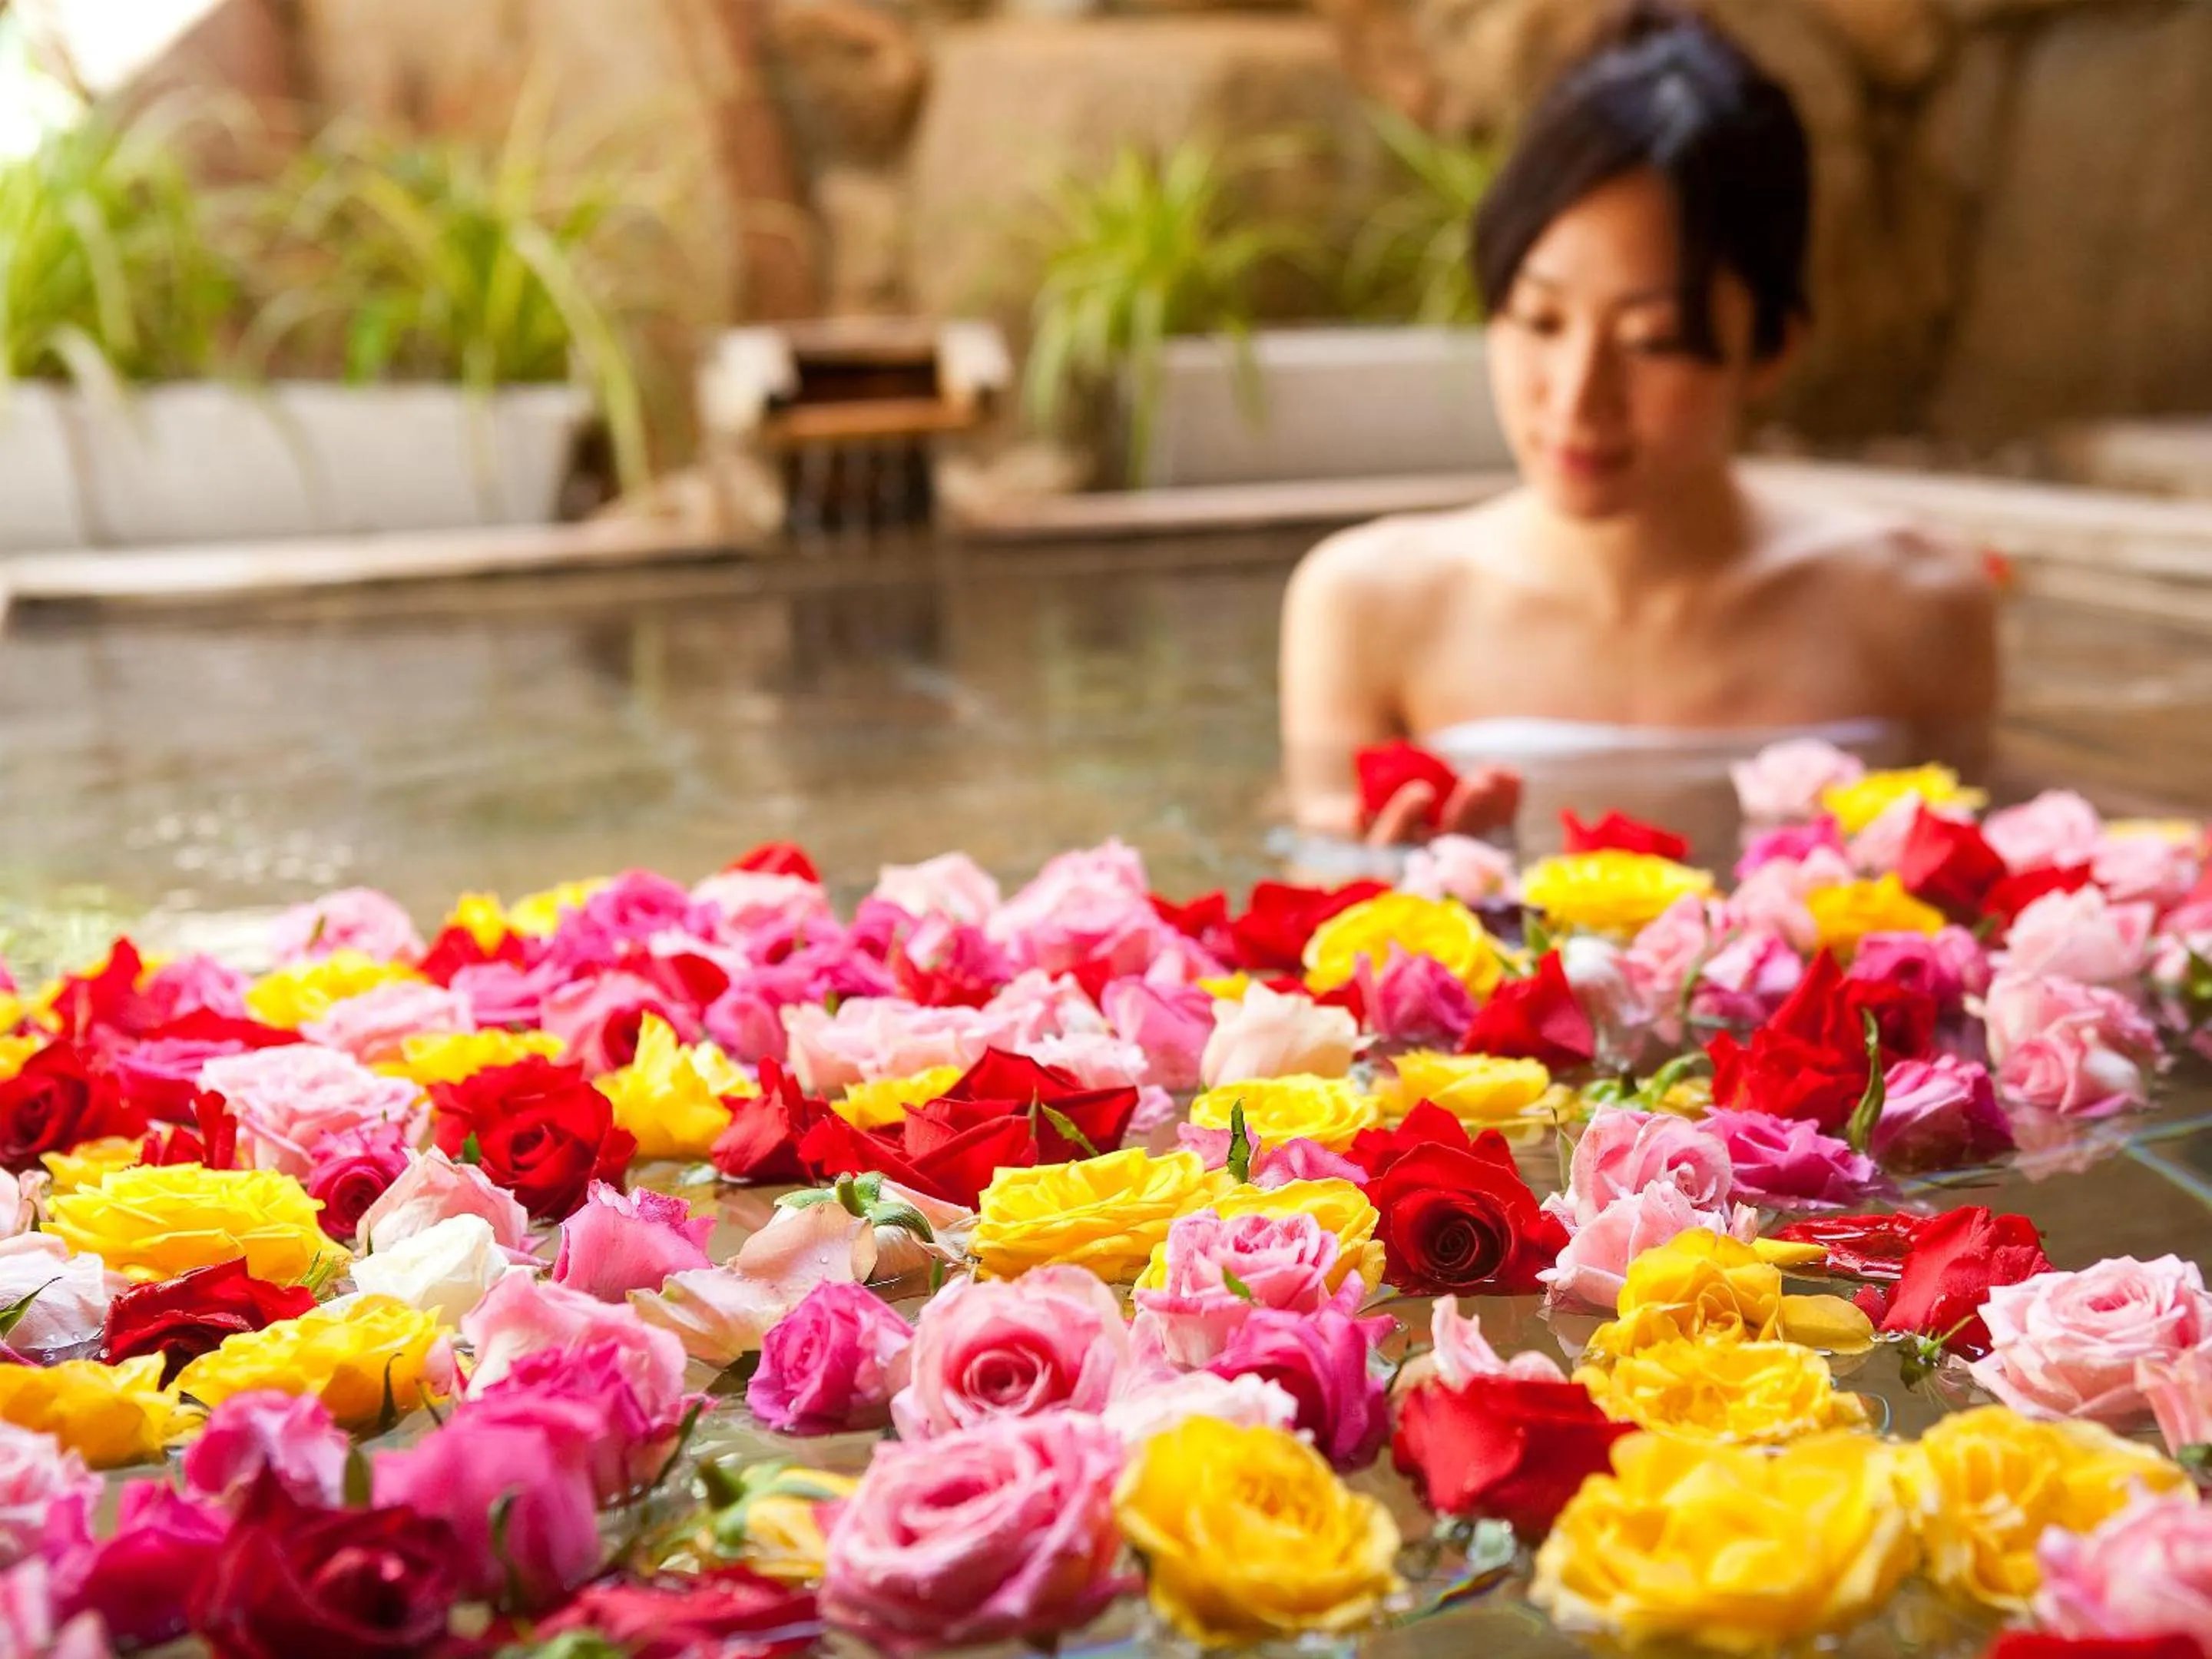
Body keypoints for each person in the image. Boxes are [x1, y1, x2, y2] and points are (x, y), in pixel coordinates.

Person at [1279, 2, 1997, 864]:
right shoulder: (1373, 605)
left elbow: (1967, 897)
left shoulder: (1915, 609)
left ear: (1770, 346)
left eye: (1652, 341)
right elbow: (1314, 885)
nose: (1577, 398)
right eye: (1540, 321)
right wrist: (1399, 873)